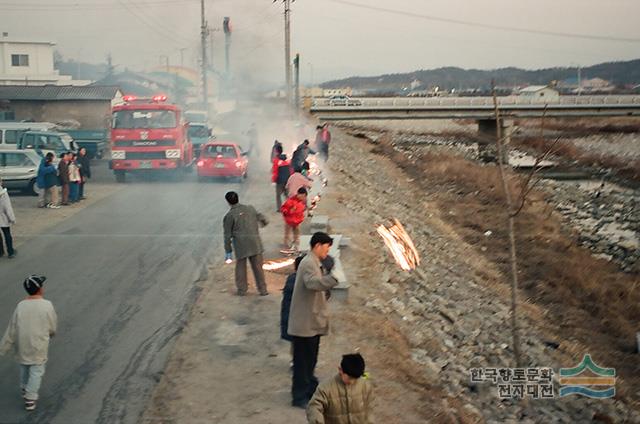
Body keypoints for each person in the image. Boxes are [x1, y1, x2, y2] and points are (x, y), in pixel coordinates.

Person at [288, 232, 339, 408]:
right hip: (304, 324)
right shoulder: (309, 263)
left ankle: (309, 389)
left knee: (310, 360)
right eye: (326, 248)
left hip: (311, 323)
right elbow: (312, 283)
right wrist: (332, 279)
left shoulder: (315, 262)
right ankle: (299, 396)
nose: (327, 252)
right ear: (317, 246)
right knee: (302, 362)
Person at [0, 275, 57, 411]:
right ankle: (30, 397)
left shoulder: (21, 305)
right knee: (37, 370)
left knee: (24, 366)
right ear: (40, 289)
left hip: (22, 344)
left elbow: (12, 328)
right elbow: (52, 324)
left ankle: (24, 388)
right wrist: (51, 333)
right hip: (38, 344)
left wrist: (3, 348)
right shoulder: (47, 305)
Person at [223, 191, 270, 296]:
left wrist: (228, 251)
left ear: (228, 202)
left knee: (241, 268)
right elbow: (262, 218)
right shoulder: (250, 208)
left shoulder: (229, 216)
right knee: (258, 268)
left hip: (241, 246)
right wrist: (262, 224)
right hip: (255, 243)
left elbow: (227, 235)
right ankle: (263, 290)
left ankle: (242, 290)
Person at [307, 353, 374, 424]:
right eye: (350, 378)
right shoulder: (326, 388)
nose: (352, 381)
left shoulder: (365, 386)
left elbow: (369, 410)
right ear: (340, 370)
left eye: (356, 378)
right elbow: (314, 408)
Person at [281, 255, 305, 360]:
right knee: (300, 341)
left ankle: (294, 360)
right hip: (297, 317)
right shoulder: (301, 281)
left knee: (295, 342)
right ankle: (297, 361)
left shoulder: (291, 278)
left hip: (290, 316)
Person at [281, 187, 308, 252]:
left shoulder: (302, 202)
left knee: (296, 235)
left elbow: (302, 209)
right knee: (287, 235)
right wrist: (289, 211)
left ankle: (296, 247)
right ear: (299, 194)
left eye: (305, 196)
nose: (304, 198)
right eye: (303, 196)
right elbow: (283, 209)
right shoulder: (290, 201)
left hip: (297, 222)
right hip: (289, 221)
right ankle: (286, 248)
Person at [0, 178, 17, 258]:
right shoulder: (3, 193)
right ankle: (10, 251)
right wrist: (12, 218)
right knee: (7, 234)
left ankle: (0, 251)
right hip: (3, 216)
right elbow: (7, 207)